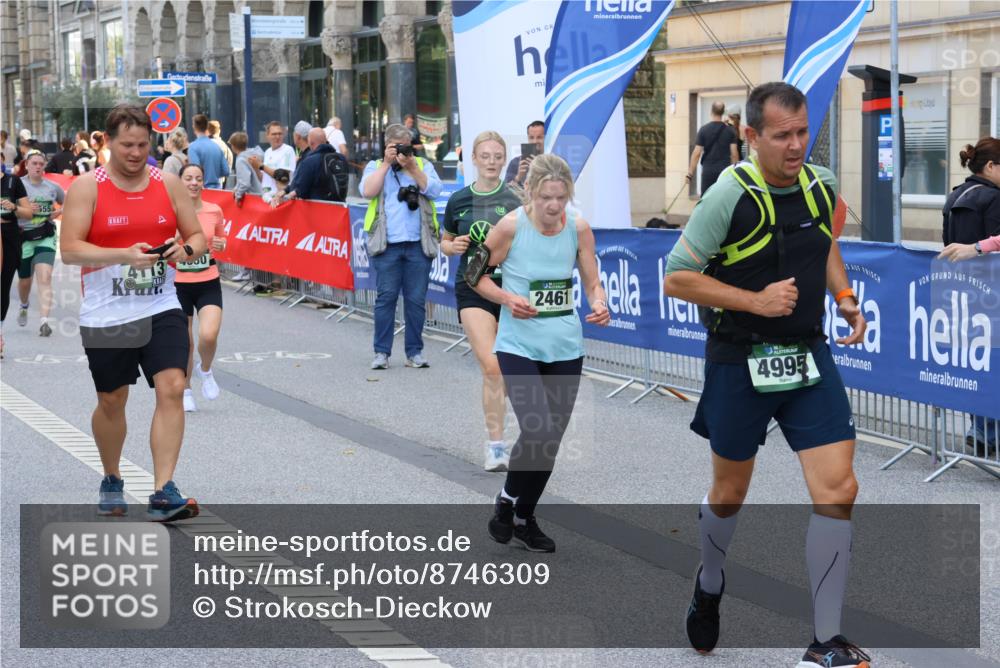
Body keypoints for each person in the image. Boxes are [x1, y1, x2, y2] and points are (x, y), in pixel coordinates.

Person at [663, 82, 870, 668]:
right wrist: (754, 301)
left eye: (803, 131)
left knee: (840, 488)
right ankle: (709, 579)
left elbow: (824, 244)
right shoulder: (730, 194)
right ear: (751, 137)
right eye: (783, 135)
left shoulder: (820, 184)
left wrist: (845, 295)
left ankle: (825, 638)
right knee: (730, 494)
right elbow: (676, 277)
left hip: (805, 355)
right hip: (739, 355)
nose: (797, 145)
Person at [60, 104, 207, 522]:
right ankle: (111, 476)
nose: (136, 152)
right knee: (112, 400)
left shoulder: (169, 183)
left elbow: (196, 234)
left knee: (173, 386)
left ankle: (163, 490)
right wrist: (123, 255)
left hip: (160, 304)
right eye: (127, 144)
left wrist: (187, 249)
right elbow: (70, 249)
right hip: (108, 312)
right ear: (107, 143)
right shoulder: (88, 188)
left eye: (143, 144)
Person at [472, 153, 610, 552]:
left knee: (550, 440)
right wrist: (507, 298)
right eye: (546, 197)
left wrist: (599, 302)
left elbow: (592, 282)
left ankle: (523, 516)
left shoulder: (579, 229)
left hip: (565, 343)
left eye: (561, 198)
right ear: (530, 192)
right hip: (519, 343)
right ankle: (508, 501)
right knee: (538, 428)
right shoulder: (510, 227)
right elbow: (473, 275)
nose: (553, 206)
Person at [441, 130, 523, 471]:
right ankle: (495, 445)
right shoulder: (459, 199)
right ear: (473, 160)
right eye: (485, 156)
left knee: (513, 369)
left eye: (497, 156)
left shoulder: (517, 198)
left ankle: (514, 428)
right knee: (492, 366)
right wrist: (454, 246)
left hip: (511, 289)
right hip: (472, 287)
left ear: (504, 160)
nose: (491, 162)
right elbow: (444, 241)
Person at [360, 123, 443, 370]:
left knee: (416, 300)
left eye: (404, 146)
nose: (400, 152)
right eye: (394, 147)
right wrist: (387, 164)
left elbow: (436, 191)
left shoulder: (422, 165)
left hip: (418, 244)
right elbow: (367, 191)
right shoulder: (376, 167)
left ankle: (414, 352)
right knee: (386, 299)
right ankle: (381, 353)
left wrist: (412, 168)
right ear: (385, 146)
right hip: (387, 245)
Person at [938, 137, 1000, 456]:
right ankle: (987, 433)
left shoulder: (954, 196)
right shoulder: (993, 198)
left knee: (980, 365)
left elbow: (947, 243)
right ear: (990, 166)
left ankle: (980, 431)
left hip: (963, 297)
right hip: (993, 294)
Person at [174, 163, 227, 413]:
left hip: (208, 280)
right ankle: (185, 389)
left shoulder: (214, 210)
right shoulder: (171, 212)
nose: (193, 183)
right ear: (180, 182)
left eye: (198, 179)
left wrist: (221, 243)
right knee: (184, 342)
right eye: (188, 178)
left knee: (209, 334)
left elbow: (222, 240)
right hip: (178, 283)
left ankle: (205, 369)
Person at [16, 149, 65, 337]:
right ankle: (24, 304)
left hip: (45, 235)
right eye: (34, 163)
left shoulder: (52, 187)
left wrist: (58, 213)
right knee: (24, 281)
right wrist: (24, 208)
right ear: (26, 165)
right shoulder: (16, 185)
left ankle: (44, 321)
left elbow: (70, 202)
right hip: (23, 237)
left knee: (44, 278)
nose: (37, 166)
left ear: (44, 166)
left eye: (41, 163)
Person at [1, 152, 32, 357]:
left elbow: (28, 213)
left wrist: (14, 207)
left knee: (3, 286)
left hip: (9, 235)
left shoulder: (13, 182)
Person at [272, 128, 342, 205]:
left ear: (311, 143)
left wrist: (285, 195)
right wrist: (286, 190)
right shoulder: (341, 158)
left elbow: (300, 189)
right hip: (340, 208)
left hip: (318, 209)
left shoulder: (310, 161)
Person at [687, 101, 739, 194]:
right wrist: (736, 173)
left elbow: (697, 153)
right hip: (725, 172)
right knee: (723, 200)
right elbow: (734, 154)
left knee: (706, 199)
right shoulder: (730, 131)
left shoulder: (703, 130)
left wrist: (690, 174)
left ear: (711, 112)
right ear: (723, 113)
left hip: (708, 171)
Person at [187, 114, 229, 189]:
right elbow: (226, 171)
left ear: (194, 127)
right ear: (207, 127)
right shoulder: (217, 147)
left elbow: (195, 171)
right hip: (217, 190)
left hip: (202, 191)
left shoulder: (193, 147)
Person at [260, 121, 296, 203]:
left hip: (281, 199)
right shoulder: (267, 152)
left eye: (280, 134)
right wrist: (255, 167)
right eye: (274, 134)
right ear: (267, 136)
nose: (277, 136)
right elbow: (263, 178)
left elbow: (282, 177)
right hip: (267, 198)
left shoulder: (288, 150)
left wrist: (261, 166)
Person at [504, 120, 544, 187]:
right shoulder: (515, 163)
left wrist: (540, 169)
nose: (535, 141)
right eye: (531, 137)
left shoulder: (554, 163)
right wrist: (518, 177)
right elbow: (506, 191)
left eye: (539, 137)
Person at [229, 131, 263, 206]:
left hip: (254, 199)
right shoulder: (255, 154)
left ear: (233, 146)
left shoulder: (241, 160)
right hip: (264, 195)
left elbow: (245, 183)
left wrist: (238, 195)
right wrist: (236, 187)